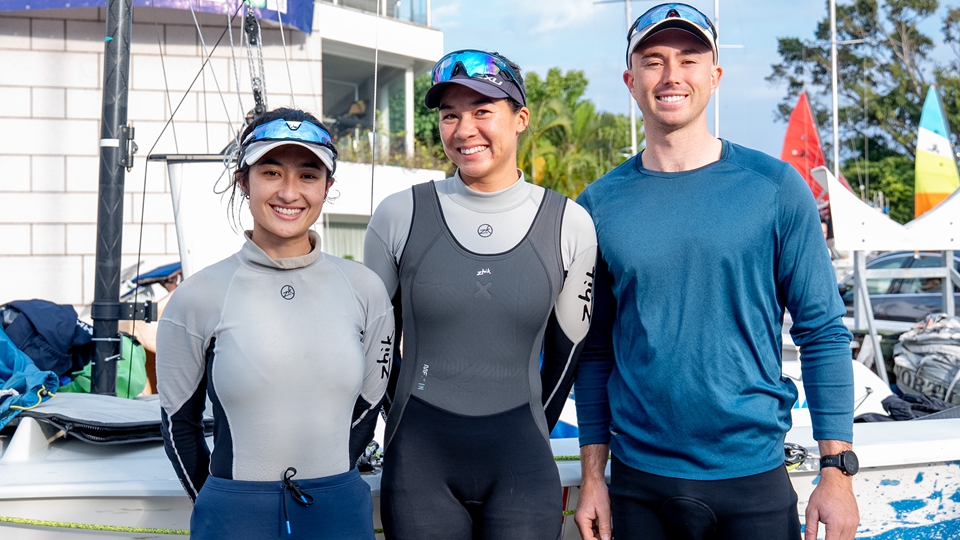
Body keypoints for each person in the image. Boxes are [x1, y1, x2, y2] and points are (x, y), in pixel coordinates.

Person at [572, 4, 860, 540]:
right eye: (654, 61)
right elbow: (595, 351)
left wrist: (836, 473)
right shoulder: (597, 205)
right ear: (631, 81)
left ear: (715, 76)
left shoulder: (774, 188)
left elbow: (821, 332)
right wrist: (594, 477)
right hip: (639, 485)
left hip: (752, 480)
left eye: (689, 59)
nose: (672, 75)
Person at [363, 50, 598, 540]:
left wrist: (529, 419)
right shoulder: (398, 215)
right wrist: (402, 417)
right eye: (450, 114)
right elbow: (373, 346)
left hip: (521, 459)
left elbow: (567, 353)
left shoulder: (569, 224)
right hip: (420, 460)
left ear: (521, 118)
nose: (464, 129)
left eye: (482, 110)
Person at [157, 108, 394, 540]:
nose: (289, 192)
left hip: (337, 510)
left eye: (308, 175)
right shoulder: (196, 297)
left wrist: (333, 481)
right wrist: (218, 503)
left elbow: (370, 404)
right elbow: (178, 423)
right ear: (243, 181)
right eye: (271, 172)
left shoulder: (365, 290)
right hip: (233, 515)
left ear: (328, 187)